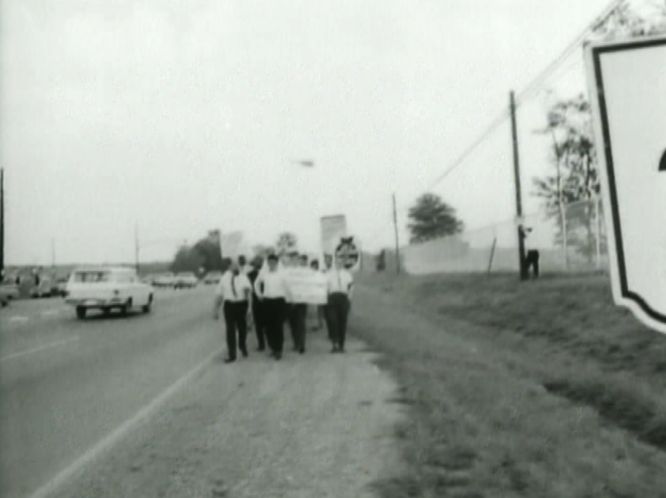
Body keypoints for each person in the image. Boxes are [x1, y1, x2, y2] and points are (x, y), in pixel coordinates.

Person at [213, 259, 252, 363]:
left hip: (241, 304)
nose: (236, 267)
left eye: (237, 265)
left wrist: (249, 307)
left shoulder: (243, 277)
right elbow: (219, 295)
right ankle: (232, 354)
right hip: (229, 305)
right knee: (230, 330)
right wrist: (215, 310)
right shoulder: (224, 278)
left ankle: (242, 345)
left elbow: (248, 292)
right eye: (234, 265)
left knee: (242, 328)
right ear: (229, 266)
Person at [254, 253, 289, 360]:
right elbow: (256, 284)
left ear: (277, 263)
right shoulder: (263, 273)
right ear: (267, 263)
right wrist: (259, 295)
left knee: (278, 326)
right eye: (270, 262)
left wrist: (288, 299)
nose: (272, 264)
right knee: (269, 327)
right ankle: (273, 348)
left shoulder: (283, 273)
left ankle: (279, 350)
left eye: (274, 262)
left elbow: (288, 287)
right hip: (267, 301)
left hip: (279, 301)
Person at [326, 255, 353, 353]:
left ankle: (341, 345)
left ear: (343, 263)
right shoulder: (328, 274)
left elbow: (351, 288)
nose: (339, 264)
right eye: (337, 262)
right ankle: (334, 344)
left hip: (343, 298)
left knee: (342, 322)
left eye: (341, 262)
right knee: (333, 321)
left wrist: (349, 299)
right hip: (332, 298)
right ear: (334, 262)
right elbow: (325, 287)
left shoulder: (347, 274)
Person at [286, 253, 309, 354]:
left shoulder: (303, 271)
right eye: (292, 259)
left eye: (296, 259)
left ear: (298, 260)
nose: (294, 261)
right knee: (292, 323)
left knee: (301, 323)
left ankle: (302, 345)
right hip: (289, 301)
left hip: (300, 301)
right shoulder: (286, 271)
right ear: (290, 260)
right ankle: (296, 343)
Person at [247, 256, 266, 351]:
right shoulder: (250, 275)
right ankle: (261, 344)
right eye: (256, 263)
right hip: (257, 301)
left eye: (260, 262)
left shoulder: (267, 273)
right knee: (258, 324)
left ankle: (268, 343)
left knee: (267, 324)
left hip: (267, 301)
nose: (258, 264)